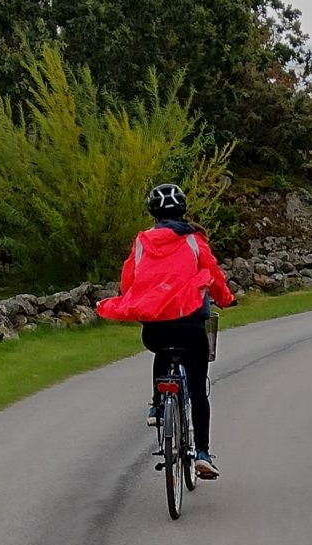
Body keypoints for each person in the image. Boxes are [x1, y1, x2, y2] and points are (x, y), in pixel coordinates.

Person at [97, 182, 235, 478]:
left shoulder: (142, 241)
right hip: (192, 326)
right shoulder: (195, 240)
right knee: (198, 389)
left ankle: (158, 406)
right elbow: (213, 277)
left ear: (153, 214)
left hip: (156, 329)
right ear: (183, 210)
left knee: (162, 349)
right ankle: (202, 453)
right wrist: (227, 299)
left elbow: (127, 283)